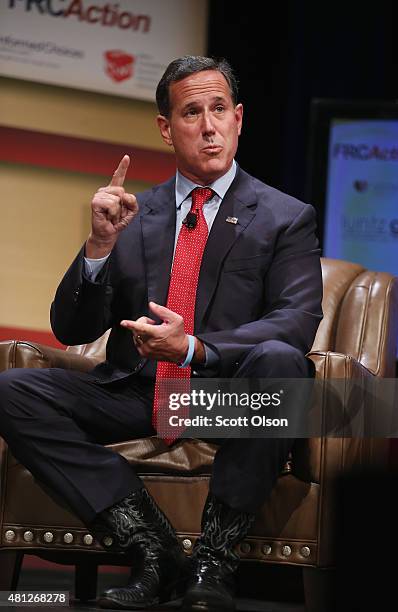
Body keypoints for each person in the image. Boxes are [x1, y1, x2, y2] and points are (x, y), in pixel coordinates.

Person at [0, 56, 323, 611]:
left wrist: (194, 347)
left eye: (219, 109)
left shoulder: (284, 217)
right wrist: (99, 247)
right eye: (191, 112)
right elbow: (70, 327)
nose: (208, 125)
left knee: (280, 360)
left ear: (239, 118)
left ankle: (214, 561)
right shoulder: (135, 213)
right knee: (11, 390)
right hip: (136, 392)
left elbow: (296, 321)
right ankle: (151, 544)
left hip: (221, 399)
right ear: (165, 128)